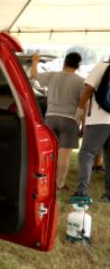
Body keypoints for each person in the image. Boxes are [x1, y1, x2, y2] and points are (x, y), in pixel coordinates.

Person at [31, 52, 84, 190]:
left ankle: (45, 179)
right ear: (78, 65)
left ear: (64, 62)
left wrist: (35, 61)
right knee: (64, 154)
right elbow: (83, 104)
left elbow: (34, 75)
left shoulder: (53, 75)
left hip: (51, 116)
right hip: (70, 119)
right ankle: (59, 184)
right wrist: (82, 124)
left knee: (49, 151)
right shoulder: (81, 81)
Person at [75, 57, 110, 201]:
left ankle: (82, 194)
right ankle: (108, 196)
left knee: (86, 154)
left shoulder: (101, 66)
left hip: (99, 120)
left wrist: (79, 110)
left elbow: (88, 89)